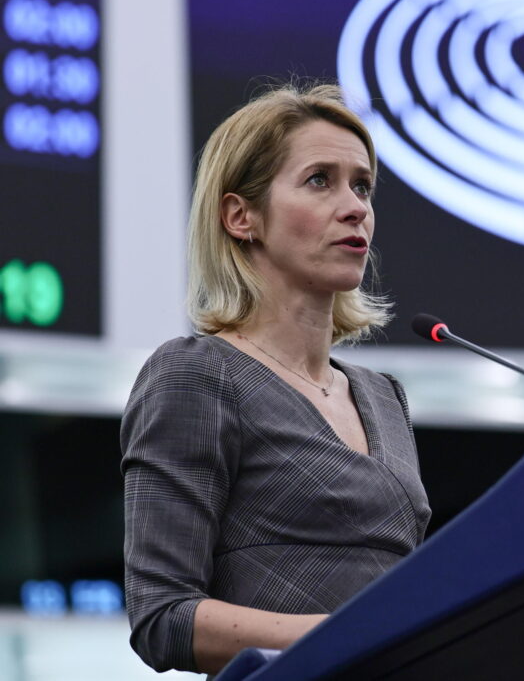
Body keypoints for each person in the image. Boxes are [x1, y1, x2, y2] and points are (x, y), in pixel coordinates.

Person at [120, 83, 430, 675]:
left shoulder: (384, 398)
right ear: (241, 217)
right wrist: (355, 631)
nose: (355, 206)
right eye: (320, 180)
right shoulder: (196, 375)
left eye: (362, 185)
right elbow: (162, 617)